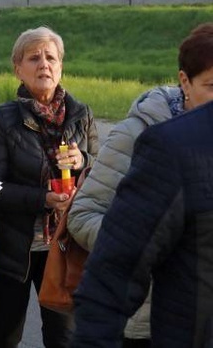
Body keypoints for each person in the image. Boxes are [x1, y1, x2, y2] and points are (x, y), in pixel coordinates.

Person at [67, 22, 213, 347]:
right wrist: (148, 236)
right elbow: (84, 216)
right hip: (147, 320)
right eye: (212, 86)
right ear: (184, 82)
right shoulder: (147, 137)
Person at [0, 26, 98, 348]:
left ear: (60, 66)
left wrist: (83, 159)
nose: (44, 64)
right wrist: (44, 198)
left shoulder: (80, 114)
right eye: (34, 58)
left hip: (65, 246)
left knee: (64, 338)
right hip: (15, 248)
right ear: (18, 68)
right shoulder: (2, 119)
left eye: (50, 57)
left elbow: (103, 175)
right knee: (6, 335)